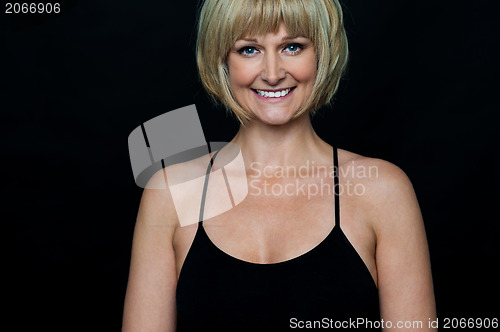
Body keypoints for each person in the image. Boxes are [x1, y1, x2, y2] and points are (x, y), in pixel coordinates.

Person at [122, 0, 437, 330]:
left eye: (292, 46)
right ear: (222, 59)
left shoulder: (382, 191)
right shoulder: (172, 193)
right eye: (249, 50)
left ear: (321, 53)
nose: (272, 74)